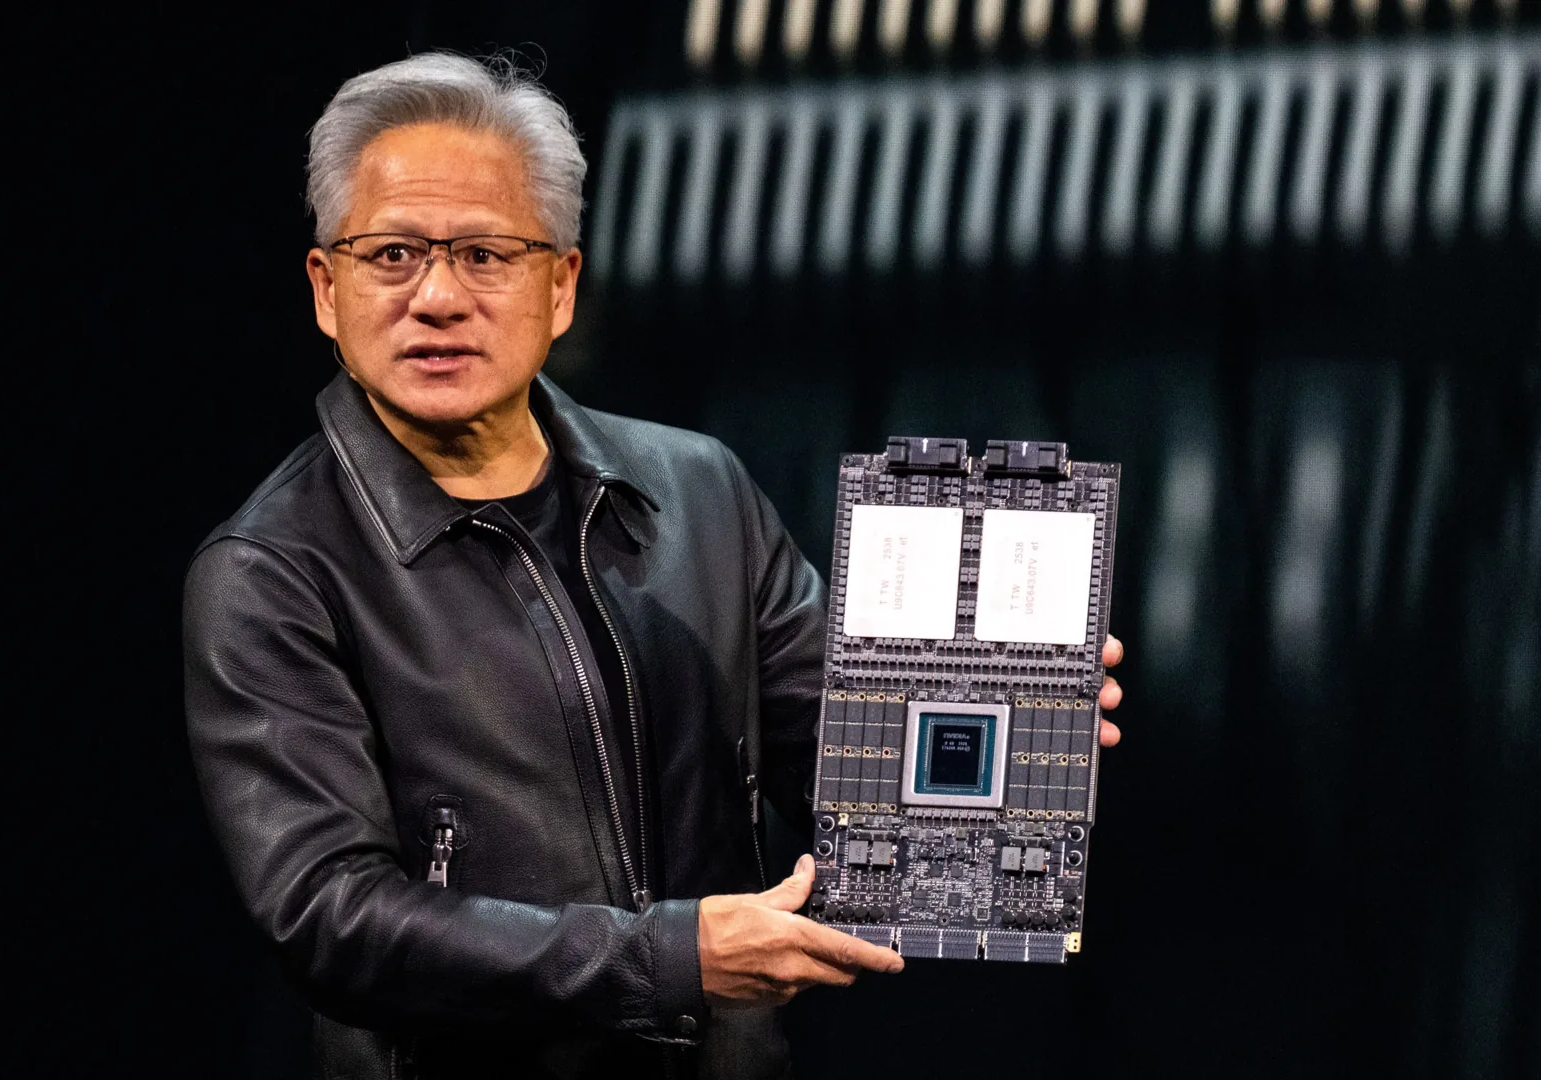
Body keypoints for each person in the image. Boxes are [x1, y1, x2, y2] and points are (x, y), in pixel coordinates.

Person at [181, 53, 1127, 1080]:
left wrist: (1006, 720)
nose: (439, 296)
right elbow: (335, 921)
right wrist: (675, 958)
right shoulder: (271, 571)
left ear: (560, 286)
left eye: (487, 254)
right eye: (394, 253)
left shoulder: (699, 492)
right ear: (327, 290)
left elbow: (855, 778)